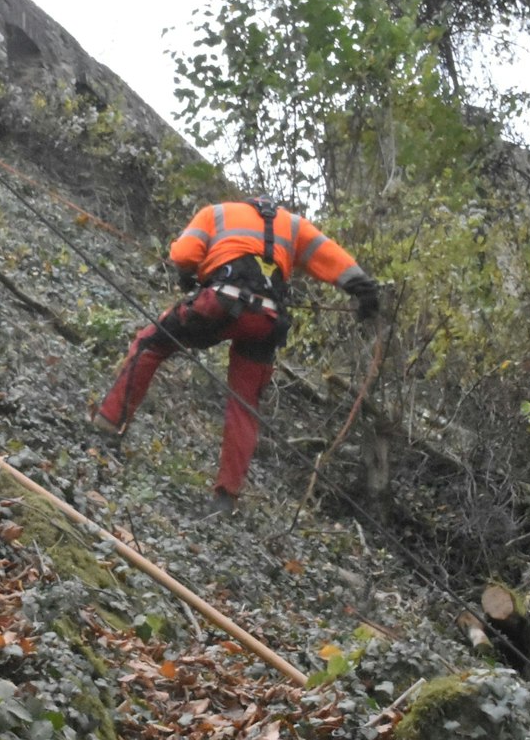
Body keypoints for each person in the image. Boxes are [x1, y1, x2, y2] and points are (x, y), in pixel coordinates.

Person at [91, 197, 380, 512]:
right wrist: (362, 290)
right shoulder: (294, 225)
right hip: (266, 321)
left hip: (217, 304)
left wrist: (188, 275)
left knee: (151, 344)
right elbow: (332, 257)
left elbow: (185, 254)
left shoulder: (215, 213)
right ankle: (226, 497)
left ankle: (107, 426)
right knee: (245, 404)